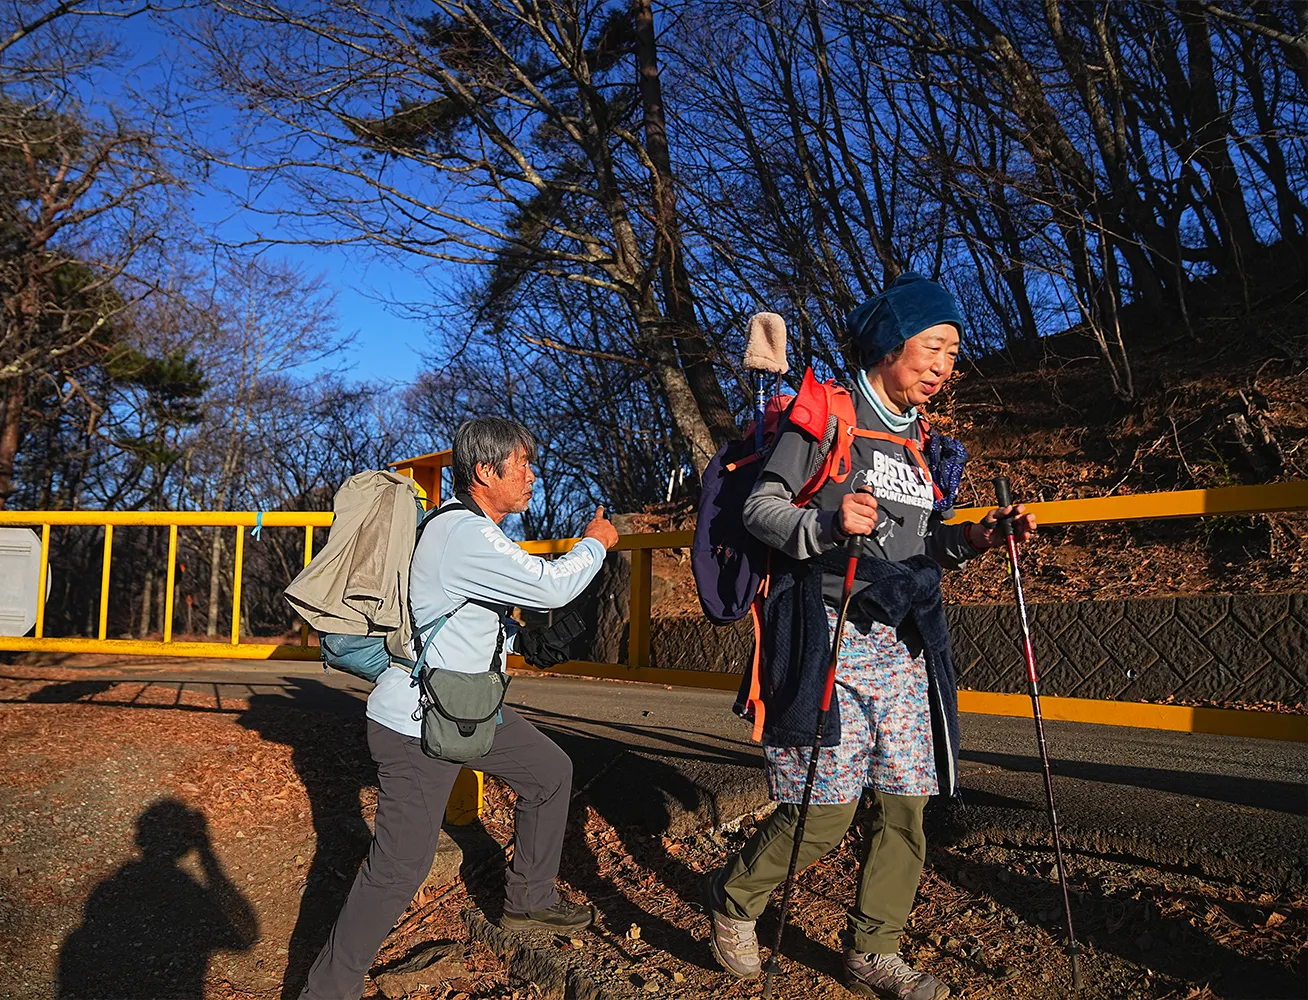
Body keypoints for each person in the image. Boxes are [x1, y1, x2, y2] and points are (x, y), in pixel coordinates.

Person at [701, 274, 1037, 1000]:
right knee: (822, 813)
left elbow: (923, 546)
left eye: (954, 353)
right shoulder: (826, 415)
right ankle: (733, 900)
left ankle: (873, 950)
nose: (946, 366)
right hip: (822, 632)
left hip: (901, 640)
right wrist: (824, 524)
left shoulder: (920, 442)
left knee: (907, 800)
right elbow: (760, 509)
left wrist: (976, 537)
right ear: (892, 341)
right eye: (935, 347)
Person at [299, 416, 619, 1000]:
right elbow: (549, 586)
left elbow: (466, 620)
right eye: (520, 465)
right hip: (419, 724)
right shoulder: (461, 533)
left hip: (466, 710)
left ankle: (529, 901)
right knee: (398, 870)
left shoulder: (480, 533)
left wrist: (523, 642)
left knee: (550, 774)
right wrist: (596, 542)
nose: (531, 476)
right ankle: (327, 991)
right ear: (483, 471)